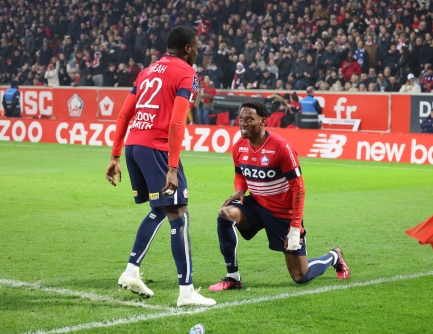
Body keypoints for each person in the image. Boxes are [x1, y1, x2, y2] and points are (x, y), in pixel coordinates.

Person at [104, 26, 216, 307]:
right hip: (157, 148)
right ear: (188, 48)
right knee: (179, 212)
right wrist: (173, 167)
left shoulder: (147, 71)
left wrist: (115, 156)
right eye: (197, 47)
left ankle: (131, 271)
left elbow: (123, 115)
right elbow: (177, 122)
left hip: (134, 146)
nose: (198, 51)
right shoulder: (187, 74)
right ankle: (186, 291)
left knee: (159, 210)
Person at [208, 101, 350, 291]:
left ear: (262, 122)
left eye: (250, 119)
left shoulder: (282, 147)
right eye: (241, 119)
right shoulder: (239, 146)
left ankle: (334, 256)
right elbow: (239, 174)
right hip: (256, 205)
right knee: (225, 214)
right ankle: (233, 277)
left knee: (301, 276)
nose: (243, 123)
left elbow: (298, 189)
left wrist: (295, 226)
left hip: (283, 213)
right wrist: (241, 189)